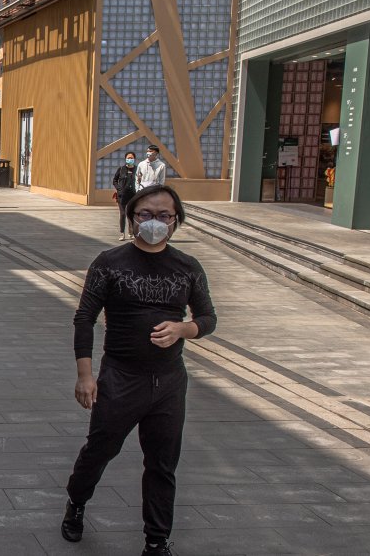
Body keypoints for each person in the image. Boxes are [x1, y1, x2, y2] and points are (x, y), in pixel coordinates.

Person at [62, 185, 216, 556]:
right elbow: (85, 318)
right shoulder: (109, 263)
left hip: (169, 381)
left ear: (176, 222)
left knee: (163, 464)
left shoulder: (188, 267)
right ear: (131, 217)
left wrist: (183, 329)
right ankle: (76, 503)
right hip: (120, 377)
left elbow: (208, 318)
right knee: (100, 449)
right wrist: (86, 375)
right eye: (146, 214)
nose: (155, 222)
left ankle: (157, 540)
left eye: (164, 216)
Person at [113, 151, 138, 241]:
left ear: (134, 159)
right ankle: (122, 233)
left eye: (131, 158)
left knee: (130, 214)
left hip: (133, 195)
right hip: (122, 195)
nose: (129, 159)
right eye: (128, 158)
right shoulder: (121, 169)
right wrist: (119, 188)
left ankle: (131, 233)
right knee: (123, 214)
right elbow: (114, 180)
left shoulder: (137, 169)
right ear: (125, 159)